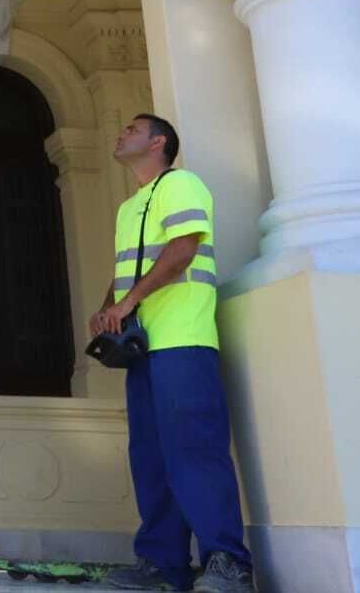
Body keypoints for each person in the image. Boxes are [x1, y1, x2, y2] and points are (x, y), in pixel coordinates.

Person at [94, 115, 255, 593]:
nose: (120, 133)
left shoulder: (182, 182)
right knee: (150, 455)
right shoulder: (129, 207)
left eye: (132, 129)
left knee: (195, 451)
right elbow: (133, 267)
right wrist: (109, 307)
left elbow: (183, 249)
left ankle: (228, 562)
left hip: (183, 340)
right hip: (143, 348)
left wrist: (128, 301)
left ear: (158, 142)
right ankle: (163, 564)